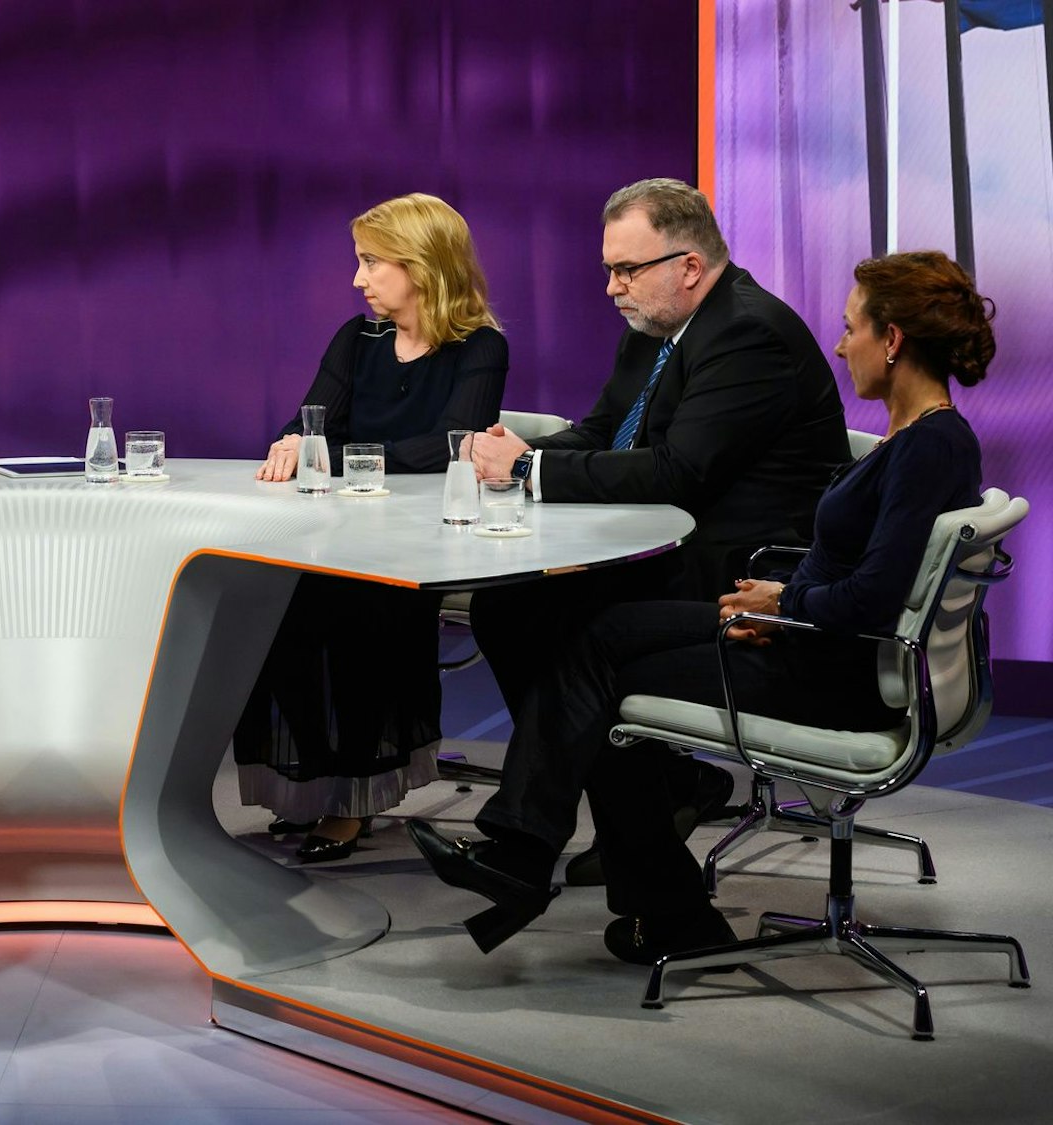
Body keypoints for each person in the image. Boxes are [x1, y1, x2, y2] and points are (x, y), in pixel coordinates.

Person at [410, 251, 994, 961]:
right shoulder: (920, 438)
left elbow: (872, 597)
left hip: (825, 668)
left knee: (601, 684)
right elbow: (866, 575)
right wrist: (785, 595)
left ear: (892, 339)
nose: (842, 345)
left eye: (851, 329)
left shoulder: (930, 448)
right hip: (805, 628)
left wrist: (788, 603)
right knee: (593, 635)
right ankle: (537, 852)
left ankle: (597, 882)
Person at [464, 178, 851, 880]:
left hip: (740, 571)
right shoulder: (657, 329)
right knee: (506, 605)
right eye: (608, 268)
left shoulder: (747, 332)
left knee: (558, 622)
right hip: (668, 546)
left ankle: (605, 825)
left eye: (626, 269)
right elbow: (605, 432)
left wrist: (528, 474)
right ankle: (657, 796)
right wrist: (524, 457)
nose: (611, 287)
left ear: (689, 267)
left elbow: (679, 472)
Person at [234, 193, 506, 862]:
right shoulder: (357, 340)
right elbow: (307, 425)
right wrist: (297, 444)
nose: (359, 279)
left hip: (419, 542)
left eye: (372, 263)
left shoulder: (481, 347)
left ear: (421, 266)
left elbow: (452, 444)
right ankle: (316, 783)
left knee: (352, 610)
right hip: (338, 533)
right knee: (270, 604)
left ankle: (352, 797)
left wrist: (342, 457)